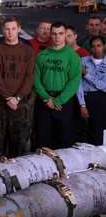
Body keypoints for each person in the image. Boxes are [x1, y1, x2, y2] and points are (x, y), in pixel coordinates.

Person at [0, 16, 35, 161]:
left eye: (13, 29)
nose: (10, 32)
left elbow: (29, 77)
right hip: (0, 102)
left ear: (19, 29)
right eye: (7, 29)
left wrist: (17, 98)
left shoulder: (27, 51)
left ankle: (20, 176)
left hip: (21, 103)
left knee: (20, 143)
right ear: (3, 30)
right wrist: (8, 98)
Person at [34, 21, 82, 149]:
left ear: (65, 34)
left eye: (60, 33)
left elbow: (74, 82)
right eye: (54, 34)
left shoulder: (73, 57)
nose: (57, 37)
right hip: (44, 101)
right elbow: (35, 79)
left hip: (63, 102)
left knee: (64, 141)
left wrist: (57, 101)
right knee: (43, 142)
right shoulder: (42, 55)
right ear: (50, 34)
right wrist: (47, 98)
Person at [76, 36, 106, 145]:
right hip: (84, 97)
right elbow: (78, 84)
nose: (96, 49)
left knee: (98, 131)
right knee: (81, 132)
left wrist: (86, 74)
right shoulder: (82, 61)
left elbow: (103, 85)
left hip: (101, 99)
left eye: (99, 46)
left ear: (104, 46)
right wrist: (82, 104)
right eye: (93, 46)